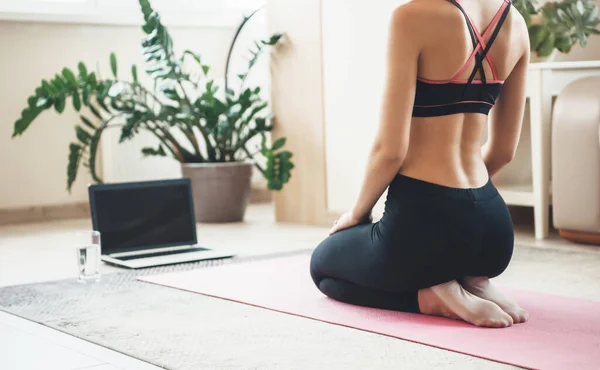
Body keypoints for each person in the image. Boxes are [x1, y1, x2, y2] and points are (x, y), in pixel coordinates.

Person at [310, 0, 530, 328]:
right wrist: (468, 205)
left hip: (426, 225)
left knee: (323, 266)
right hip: (493, 229)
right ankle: (476, 282)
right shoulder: (516, 24)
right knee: (444, 249)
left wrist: (356, 214)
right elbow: (502, 151)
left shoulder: (412, 16)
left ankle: (433, 296)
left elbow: (390, 149)